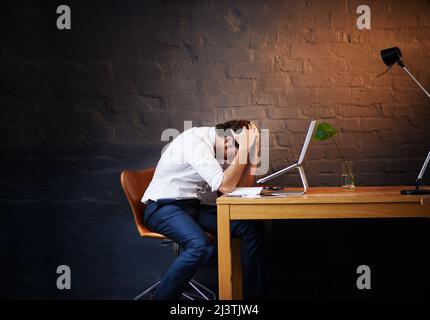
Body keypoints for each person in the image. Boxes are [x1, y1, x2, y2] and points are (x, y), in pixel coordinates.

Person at [142, 120, 265, 300]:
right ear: (227, 140)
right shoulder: (195, 141)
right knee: (200, 246)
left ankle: (251, 300)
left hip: (189, 208)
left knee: (252, 230)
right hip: (162, 207)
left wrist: (252, 153)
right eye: (237, 152)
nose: (236, 158)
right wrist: (245, 147)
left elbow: (242, 186)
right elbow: (226, 186)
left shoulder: (209, 146)